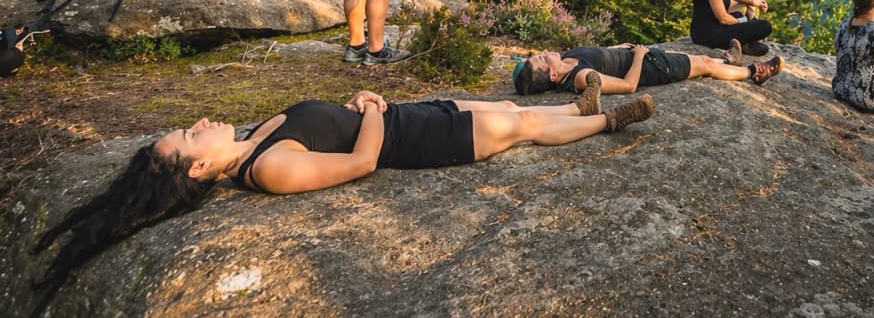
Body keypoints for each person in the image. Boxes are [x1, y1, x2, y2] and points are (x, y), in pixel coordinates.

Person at [32, 87, 655, 297]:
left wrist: (367, 104)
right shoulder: (269, 168)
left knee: (513, 107)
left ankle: (577, 105)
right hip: (415, 142)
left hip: (408, 114)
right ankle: (607, 120)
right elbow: (361, 161)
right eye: (190, 136)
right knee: (517, 129)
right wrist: (374, 106)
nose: (199, 124)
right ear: (198, 171)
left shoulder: (253, 138)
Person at [512, 40, 784, 96]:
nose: (546, 53)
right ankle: (754, 72)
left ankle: (728, 61)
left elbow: (598, 55)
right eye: (542, 60)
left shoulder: (569, 59)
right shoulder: (582, 78)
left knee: (700, 60)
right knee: (704, 65)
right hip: (650, 68)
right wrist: (640, 56)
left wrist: (620, 48)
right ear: (553, 75)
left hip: (639, 56)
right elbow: (628, 86)